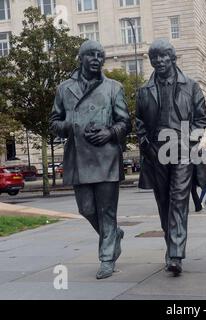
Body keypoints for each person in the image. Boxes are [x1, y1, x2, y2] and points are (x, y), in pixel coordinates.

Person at [50, 40, 132, 280]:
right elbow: (54, 122)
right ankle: (114, 235)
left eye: (100, 55)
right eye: (91, 55)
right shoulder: (64, 89)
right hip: (78, 156)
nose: (96, 59)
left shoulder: (113, 88)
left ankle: (107, 258)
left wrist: (109, 132)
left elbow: (124, 121)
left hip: (106, 156)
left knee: (107, 211)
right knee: (86, 209)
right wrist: (72, 125)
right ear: (81, 58)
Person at [136, 39, 206, 275]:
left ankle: (175, 253)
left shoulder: (191, 86)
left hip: (183, 150)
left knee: (178, 198)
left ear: (173, 58)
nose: (159, 60)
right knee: (163, 201)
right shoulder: (144, 91)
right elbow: (139, 123)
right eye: (154, 57)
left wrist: (189, 142)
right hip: (156, 151)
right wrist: (146, 145)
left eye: (163, 56)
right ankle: (171, 246)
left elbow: (200, 120)